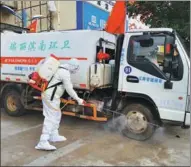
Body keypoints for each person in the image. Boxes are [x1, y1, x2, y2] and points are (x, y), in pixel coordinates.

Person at [35, 58, 85, 151]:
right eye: (75, 69)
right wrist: (78, 99)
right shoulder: (64, 73)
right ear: (73, 67)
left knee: (57, 114)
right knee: (50, 117)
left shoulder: (59, 68)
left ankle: (54, 134)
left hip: (52, 97)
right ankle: (43, 141)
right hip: (50, 97)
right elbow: (69, 89)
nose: (74, 71)